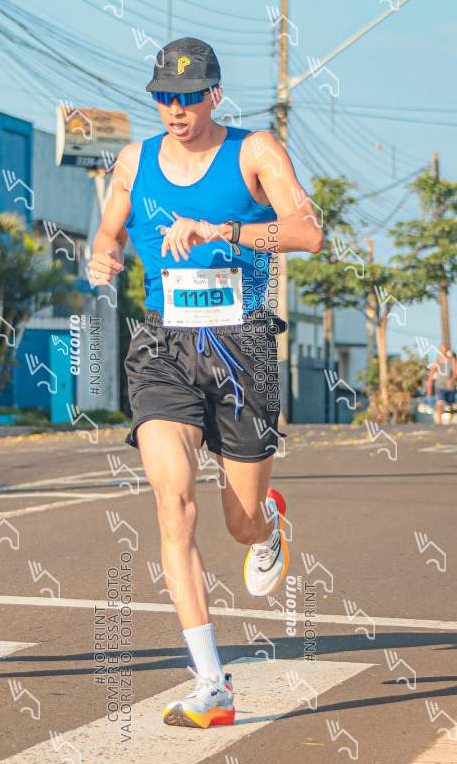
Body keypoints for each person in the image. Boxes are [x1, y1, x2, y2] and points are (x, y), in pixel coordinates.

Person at [88, 37, 323, 728]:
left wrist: (225, 231)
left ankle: (267, 522)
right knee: (174, 502)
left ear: (215, 95)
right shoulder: (133, 161)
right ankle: (210, 682)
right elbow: (108, 234)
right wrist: (102, 259)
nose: (176, 109)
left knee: (239, 522)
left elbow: (308, 233)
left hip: (242, 345)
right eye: (165, 97)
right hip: (164, 345)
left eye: (189, 98)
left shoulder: (255, 153)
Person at [426, 345, 456, 425]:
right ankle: (439, 423)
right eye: (441, 349)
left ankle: (450, 422)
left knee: (450, 405)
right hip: (439, 386)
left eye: (444, 349)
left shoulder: (452, 360)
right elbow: (431, 375)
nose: (443, 351)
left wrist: (452, 380)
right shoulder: (436, 361)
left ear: (447, 350)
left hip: (450, 387)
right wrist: (429, 388)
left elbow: (455, 372)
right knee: (440, 403)